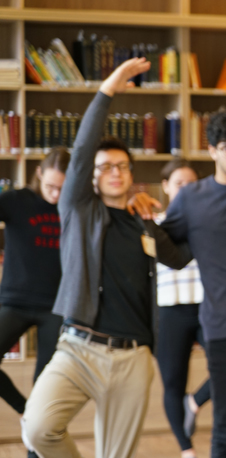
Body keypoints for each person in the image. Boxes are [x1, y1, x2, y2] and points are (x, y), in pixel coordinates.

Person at [21, 58, 191, 458]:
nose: (115, 172)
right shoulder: (79, 208)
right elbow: (80, 154)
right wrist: (108, 89)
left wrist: (163, 215)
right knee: (38, 429)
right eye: (105, 167)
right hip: (78, 348)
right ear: (92, 177)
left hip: (132, 358)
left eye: (122, 166)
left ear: (132, 173)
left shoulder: (143, 220)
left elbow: (179, 259)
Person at [131, 109, 226, 458]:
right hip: (225, 328)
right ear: (211, 150)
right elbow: (174, 255)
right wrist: (145, 221)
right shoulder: (192, 199)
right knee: (224, 430)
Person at [0, 148, 69, 457]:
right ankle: (27, 412)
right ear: (39, 173)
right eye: (51, 186)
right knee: (35, 408)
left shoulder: (74, 206)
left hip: (56, 306)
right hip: (14, 301)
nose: (55, 195)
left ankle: (35, 449)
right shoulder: (16, 201)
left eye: (62, 188)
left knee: (46, 385)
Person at [154, 158, 211, 458]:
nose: (186, 190)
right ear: (165, 187)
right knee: (172, 382)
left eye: (192, 184)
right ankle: (186, 450)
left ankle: (195, 402)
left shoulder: (210, 224)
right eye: (179, 184)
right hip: (169, 312)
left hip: (206, 309)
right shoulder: (154, 224)